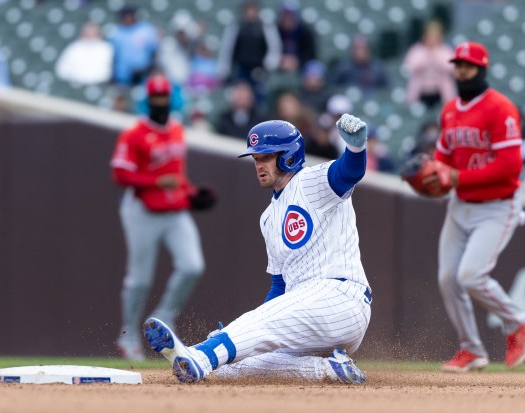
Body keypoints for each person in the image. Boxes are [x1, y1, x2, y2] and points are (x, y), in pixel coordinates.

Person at [143, 113, 373, 384]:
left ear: (288, 155)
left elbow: (349, 172)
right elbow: (279, 288)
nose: (258, 164)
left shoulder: (312, 181)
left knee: (230, 346)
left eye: (265, 157)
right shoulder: (268, 217)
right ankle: (329, 369)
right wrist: (249, 331)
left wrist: (356, 147)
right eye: (255, 158)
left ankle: (200, 355)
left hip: (340, 299)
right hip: (305, 312)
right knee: (236, 367)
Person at [427, 41, 525, 373]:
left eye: (468, 65)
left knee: (471, 276)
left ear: (482, 69)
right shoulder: (448, 110)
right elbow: (442, 160)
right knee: (448, 278)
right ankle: (471, 349)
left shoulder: (500, 108)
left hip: (497, 205)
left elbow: (509, 167)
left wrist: (457, 177)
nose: (462, 70)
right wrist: (432, 177)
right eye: (458, 64)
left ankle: (518, 322)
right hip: (461, 205)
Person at [110, 75, 207, 360]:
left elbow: (177, 175)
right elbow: (120, 173)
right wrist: (154, 182)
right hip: (141, 209)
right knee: (139, 279)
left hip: (174, 209)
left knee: (192, 266)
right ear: (148, 101)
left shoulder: (177, 129)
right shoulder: (134, 133)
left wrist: (192, 195)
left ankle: (164, 317)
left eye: (164, 98)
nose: (161, 103)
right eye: (156, 98)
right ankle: (127, 335)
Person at [216, 0, 281, 99]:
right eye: (248, 9)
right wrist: (225, 70)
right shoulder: (236, 27)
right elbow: (227, 49)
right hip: (241, 69)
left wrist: (267, 66)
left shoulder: (266, 27)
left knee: (259, 97)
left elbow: (274, 47)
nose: (250, 12)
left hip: (259, 70)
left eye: (253, 9)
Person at [402, 20, 456, 109]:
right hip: (420, 92)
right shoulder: (417, 49)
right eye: (430, 36)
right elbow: (410, 67)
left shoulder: (446, 50)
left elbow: (451, 67)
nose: (432, 39)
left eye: (435, 36)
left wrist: (435, 54)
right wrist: (427, 55)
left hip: (441, 93)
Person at [109, 5, 159, 87]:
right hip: (122, 77)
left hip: (143, 75)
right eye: (126, 16)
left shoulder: (146, 29)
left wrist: (149, 68)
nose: (128, 18)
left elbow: (154, 51)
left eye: (130, 15)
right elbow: (112, 56)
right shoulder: (116, 32)